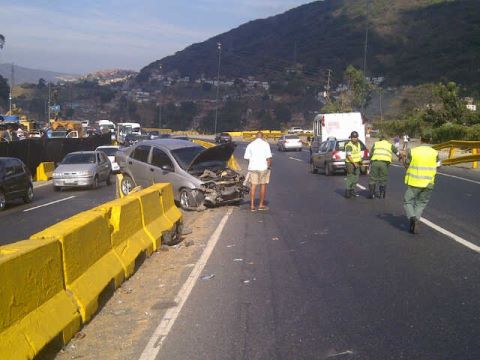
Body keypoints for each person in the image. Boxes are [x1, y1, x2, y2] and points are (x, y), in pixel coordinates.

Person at [403, 144, 440, 234]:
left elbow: (406, 165)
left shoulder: (413, 151)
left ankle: (412, 216)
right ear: (430, 140)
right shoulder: (435, 153)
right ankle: (416, 219)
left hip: (414, 182)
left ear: (421, 139)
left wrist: (404, 159)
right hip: (429, 183)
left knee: (407, 201)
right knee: (421, 203)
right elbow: (438, 166)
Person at [244, 131, 272, 211]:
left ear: (256, 136)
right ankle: (260, 205)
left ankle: (252, 206)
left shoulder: (250, 145)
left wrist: (251, 163)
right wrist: (269, 167)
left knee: (253, 186)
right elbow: (269, 158)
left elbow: (246, 157)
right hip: (263, 167)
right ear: (262, 137)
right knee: (263, 185)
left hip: (253, 167)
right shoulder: (266, 144)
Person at [368, 135, 401, 199]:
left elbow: (371, 154)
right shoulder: (390, 145)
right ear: (387, 139)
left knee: (372, 179)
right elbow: (397, 153)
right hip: (384, 164)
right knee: (383, 179)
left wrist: (369, 162)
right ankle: (381, 194)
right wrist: (401, 157)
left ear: (380, 139)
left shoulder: (376, 144)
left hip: (375, 162)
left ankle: (371, 194)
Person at [345, 131, 362, 198]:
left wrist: (361, 161)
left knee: (356, 177)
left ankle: (352, 190)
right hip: (350, 163)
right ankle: (348, 191)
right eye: (353, 137)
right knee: (350, 177)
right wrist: (354, 163)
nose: (354, 138)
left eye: (355, 137)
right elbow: (348, 156)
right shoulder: (349, 145)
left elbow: (358, 153)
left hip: (357, 163)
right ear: (351, 138)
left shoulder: (359, 143)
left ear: (357, 137)